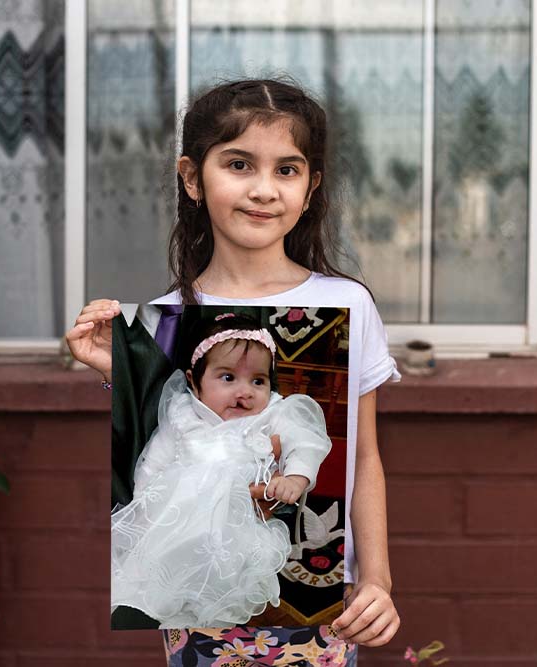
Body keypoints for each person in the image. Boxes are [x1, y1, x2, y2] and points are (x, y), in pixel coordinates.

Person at [66, 78, 401, 665]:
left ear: (311, 186)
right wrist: (118, 369)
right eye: (240, 164)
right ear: (193, 178)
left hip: (320, 608)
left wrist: (378, 580)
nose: (264, 190)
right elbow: (161, 458)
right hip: (198, 602)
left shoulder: (349, 304)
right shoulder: (165, 319)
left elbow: (364, 455)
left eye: (287, 170)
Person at [111, 312, 333, 629]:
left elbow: (305, 440)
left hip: (236, 531)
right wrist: (144, 508)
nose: (245, 391)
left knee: (218, 599)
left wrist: (296, 476)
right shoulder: (184, 415)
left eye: (258, 381)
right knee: (157, 585)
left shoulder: (272, 412)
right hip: (173, 524)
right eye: (227, 378)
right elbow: (154, 462)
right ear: (193, 381)